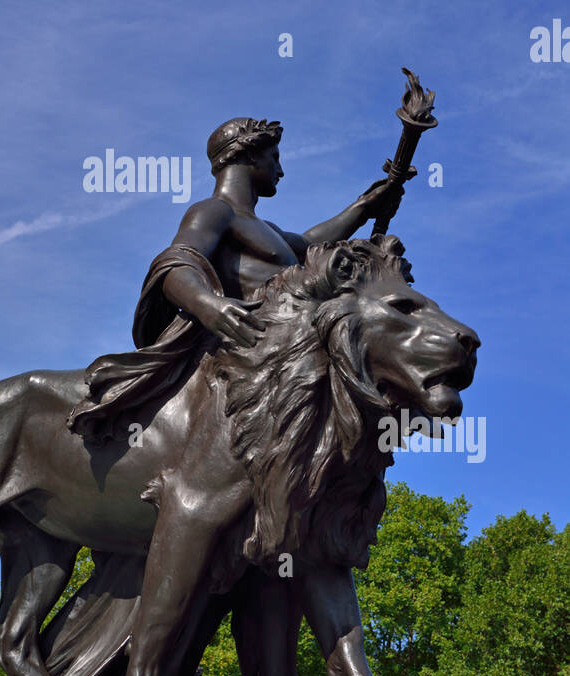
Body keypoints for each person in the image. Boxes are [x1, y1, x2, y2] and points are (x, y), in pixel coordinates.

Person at [67, 116, 404, 441]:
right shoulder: (214, 211)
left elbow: (310, 242)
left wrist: (364, 206)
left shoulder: (268, 230)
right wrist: (207, 304)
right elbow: (175, 262)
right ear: (249, 156)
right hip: (247, 352)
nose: (281, 170)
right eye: (274, 158)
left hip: (284, 348)